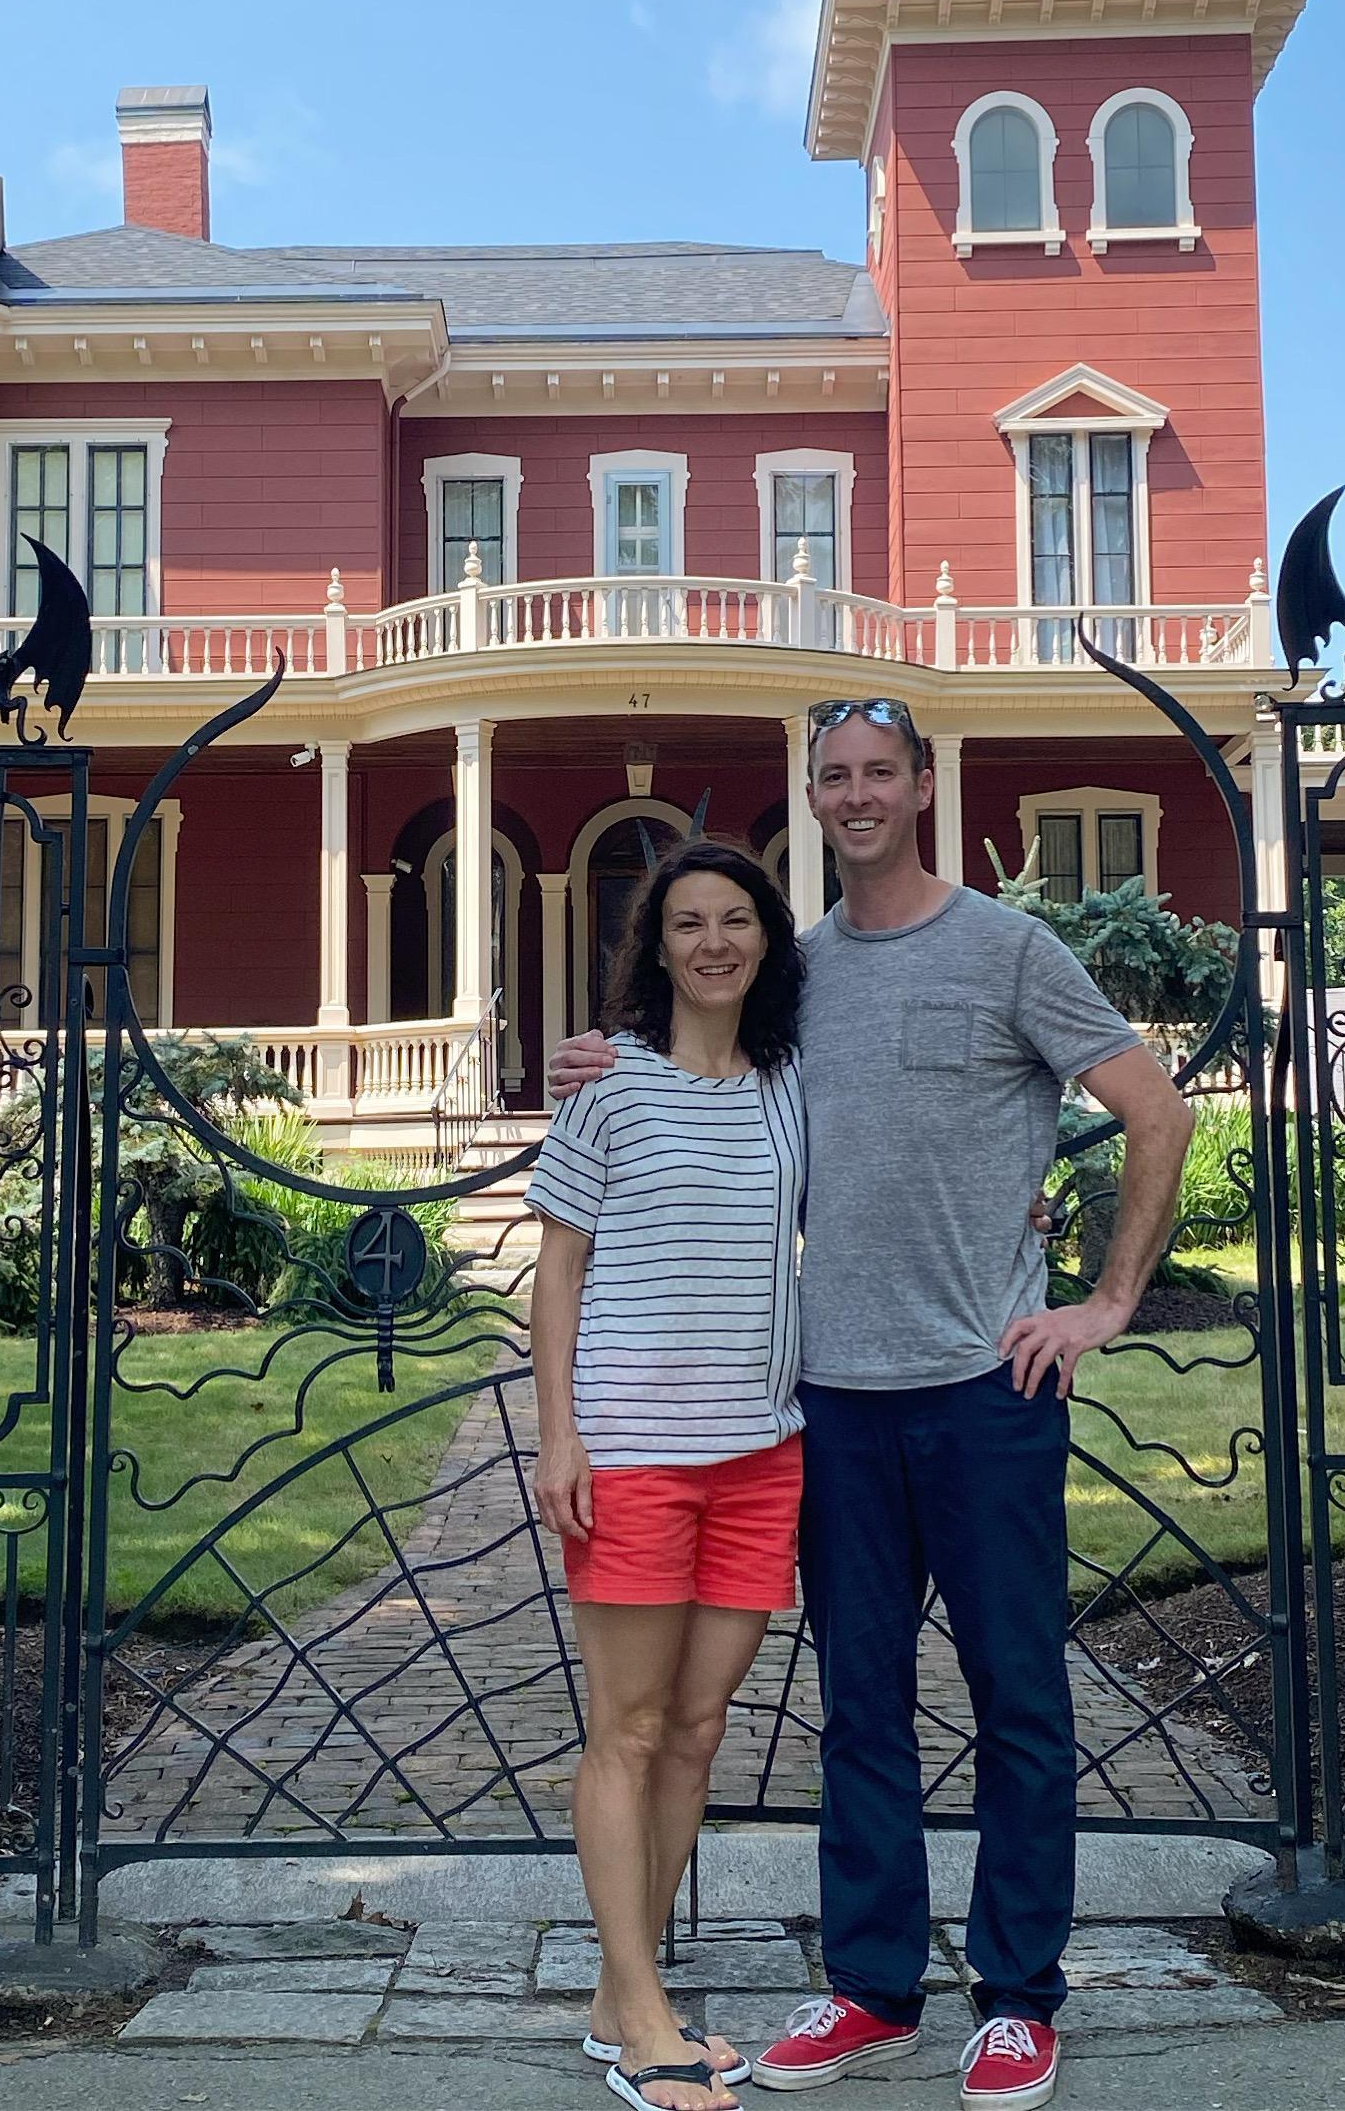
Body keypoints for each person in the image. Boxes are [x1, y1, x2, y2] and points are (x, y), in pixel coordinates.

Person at [549, 700, 1194, 2111]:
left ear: (917, 787)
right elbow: (697, 1072)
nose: (854, 795)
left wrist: (1102, 1299)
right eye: (831, 775)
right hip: (827, 1402)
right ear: (816, 795)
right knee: (859, 1713)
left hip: (985, 1390)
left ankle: (1020, 1994)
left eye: (877, 774)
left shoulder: (1005, 944)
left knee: (1019, 1698)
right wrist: (596, 1058)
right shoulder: (796, 974)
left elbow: (1154, 1107)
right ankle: (871, 1987)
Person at [528, 840, 809, 2111]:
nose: (713, 942)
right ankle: (643, 2014)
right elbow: (561, 1272)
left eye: (734, 920)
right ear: (656, 946)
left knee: (697, 1730)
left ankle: (614, 1987)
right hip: (633, 1453)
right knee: (628, 1729)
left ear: (765, 939)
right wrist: (558, 1435)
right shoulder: (608, 1087)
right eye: (686, 922)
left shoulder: (790, 1085)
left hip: (760, 1451)